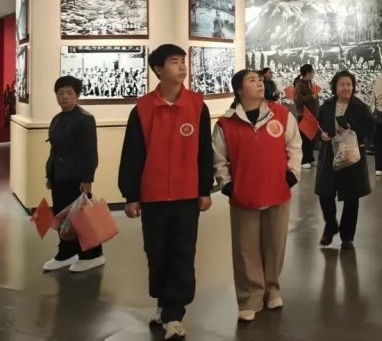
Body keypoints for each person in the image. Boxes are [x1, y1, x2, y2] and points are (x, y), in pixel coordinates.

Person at [118, 44, 214, 341]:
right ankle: (163, 302)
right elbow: (132, 154)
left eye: (183, 61)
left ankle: (174, 315)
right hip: (153, 195)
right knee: (156, 252)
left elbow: (204, 152)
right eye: (174, 62)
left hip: (187, 195)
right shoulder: (143, 108)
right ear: (159, 69)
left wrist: (205, 189)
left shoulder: (197, 105)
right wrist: (131, 195)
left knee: (183, 253)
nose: (182, 67)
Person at [213, 69, 302, 322]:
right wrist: (227, 183)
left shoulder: (281, 115)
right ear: (240, 90)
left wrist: (292, 173)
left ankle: (272, 288)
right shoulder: (227, 123)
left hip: (277, 191)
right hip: (244, 194)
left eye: (260, 79)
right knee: (246, 248)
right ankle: (249, 297)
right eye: (252, 80)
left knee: (275, 244)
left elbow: (294, 146)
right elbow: (218, 157)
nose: (259, 83)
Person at [42, 75, 105, 273]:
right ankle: (67, 252)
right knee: (62, 218)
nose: (65, 97)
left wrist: (87, 179)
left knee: (82, 218)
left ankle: (93, 255)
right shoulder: (57, 119)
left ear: (77, 95)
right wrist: (49, 175)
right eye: (60, 93)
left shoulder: (84, 119)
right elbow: (54, 150)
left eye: (69, 93)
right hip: (59, 177)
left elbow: (90, 152)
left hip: (76, 178)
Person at [316, 71, 374, 249]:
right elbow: (318, 127)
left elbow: (370, 129)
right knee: (325, 193)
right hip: (329, 155)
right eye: (342, 84)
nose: (346, 88)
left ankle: (347, 237)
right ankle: (330, 225)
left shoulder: (360, 107)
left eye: (349, 84)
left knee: (351, 197)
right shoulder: (326, 106)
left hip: (351, 156)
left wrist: (352, 130)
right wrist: (322, 136)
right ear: (335, 86)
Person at [294, 64, 319, 169]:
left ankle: (310, 158)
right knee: (304, 139)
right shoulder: (299, 84)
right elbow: (297, 100)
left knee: (311, 139)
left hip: (312, 116)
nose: (314, 74)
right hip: (304, 115)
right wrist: (311, 97)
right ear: (308, 73)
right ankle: (303, 160)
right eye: (312, 72)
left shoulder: (310, 83)